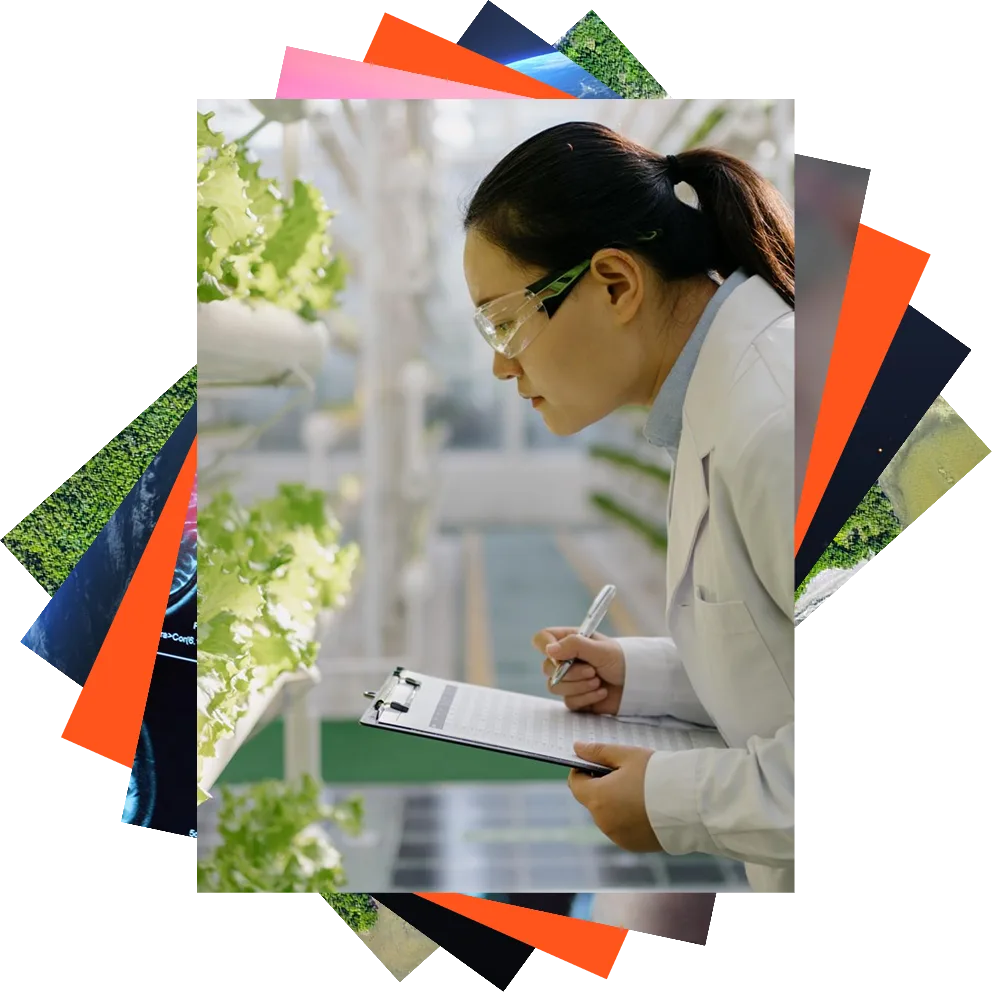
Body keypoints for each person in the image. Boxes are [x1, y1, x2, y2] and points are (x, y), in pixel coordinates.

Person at [461, 122, 798, 897]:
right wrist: (636, 679)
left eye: (505, 320)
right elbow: (781, 663)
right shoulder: (717, 404)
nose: (499, 363)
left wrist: (671, 800)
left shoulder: (780, 423)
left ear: (615, 283)